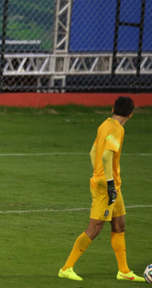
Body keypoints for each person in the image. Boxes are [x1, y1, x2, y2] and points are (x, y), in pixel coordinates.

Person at [58, 96, 144, 282]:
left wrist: (99, 174)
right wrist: (108, 183)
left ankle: (123, 271)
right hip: (107, 187)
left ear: (113, 108)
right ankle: (66, 268)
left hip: (112, 185)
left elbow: (93, 152)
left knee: (119, 225)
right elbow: (106, 156)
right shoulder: (117, 129)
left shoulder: (104, 124)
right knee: (95, 227)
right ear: (131, 113)